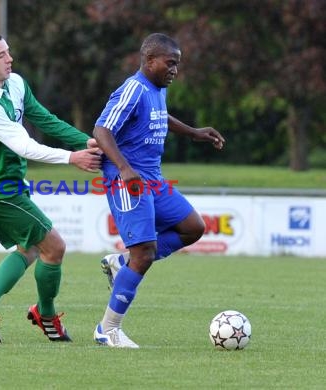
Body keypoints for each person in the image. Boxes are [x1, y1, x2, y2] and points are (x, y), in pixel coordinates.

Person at [0, 30, 101, 343]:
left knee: (29, 250)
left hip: (6, 187)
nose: (9, 58)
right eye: (1, 55)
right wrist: (73, 158)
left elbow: (45, 119)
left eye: (8, 52)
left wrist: (87, 141)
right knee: (55, 247)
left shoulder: (15, 83)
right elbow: (24, 146)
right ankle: (46, 313)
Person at [92, 33, 225, 348]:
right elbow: (101, 129)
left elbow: (158, 117)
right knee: (145, 252)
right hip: (128, 180)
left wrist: (192, 132)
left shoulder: (156, 90)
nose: (175, 70)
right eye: (170, 63)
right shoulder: (133, 89)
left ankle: (123, 264)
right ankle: (107, 329)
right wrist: (124, 168)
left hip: (153, 177)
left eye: (177, 64)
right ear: (149, 60)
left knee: (193, 227)